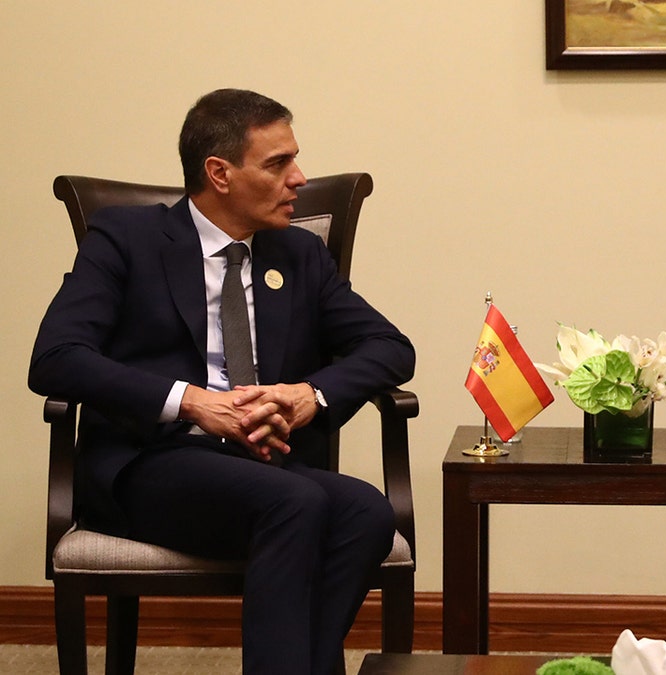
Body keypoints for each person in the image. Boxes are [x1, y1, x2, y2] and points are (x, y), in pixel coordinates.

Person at [29, 88, 415, 674]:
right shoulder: (126, 239)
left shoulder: (299, 254)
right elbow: (56, 357)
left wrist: (309, 396)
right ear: (220, 173)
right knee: (296, 502)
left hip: (261, 464)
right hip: (150, 460)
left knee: (367, 512)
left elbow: (391, 347)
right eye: (278, 163)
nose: (298, 178)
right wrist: (190, 402)